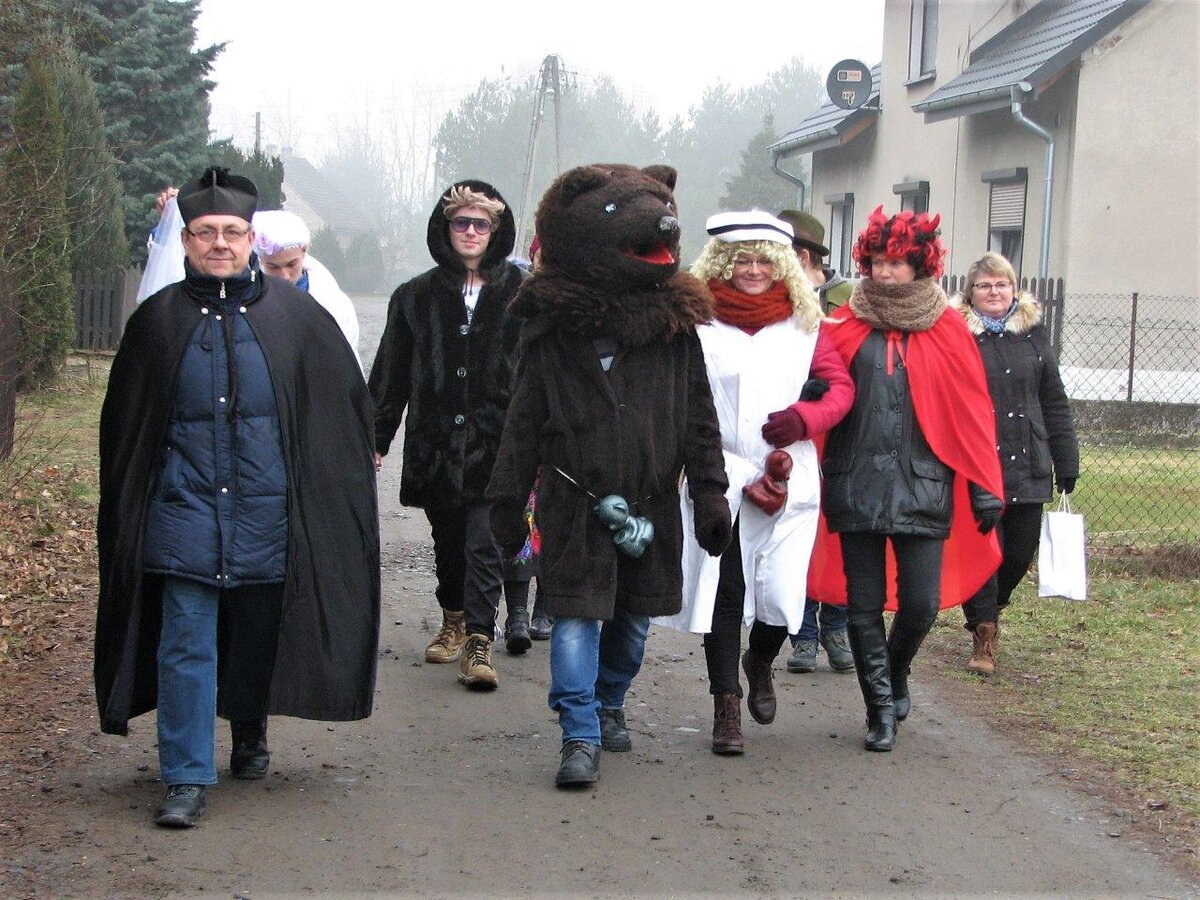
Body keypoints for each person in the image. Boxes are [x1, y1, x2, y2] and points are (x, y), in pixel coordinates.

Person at [95, 166, 380, 828]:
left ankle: (248, 728)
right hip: (182, 508)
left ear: (251, 239)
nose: (219, 242)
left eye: (231, 231)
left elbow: (337, 417)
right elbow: (127, 429)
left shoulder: (298, 320)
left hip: (268, 509)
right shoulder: (157, 323)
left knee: (255, 631)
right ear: (187, 240)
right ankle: (185, 775)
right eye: (205, 232)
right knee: (185, 640)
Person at [485, 163, 731, 788]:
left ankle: (610, 698)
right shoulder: (551, 331)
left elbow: (700, 417)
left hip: (651, 504)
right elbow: (522, 423)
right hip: (574, 503)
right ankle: (579, 732)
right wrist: (507, 499)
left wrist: (710, 493)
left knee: (632, 623)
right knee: (574, 617)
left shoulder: (674, 331)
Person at [809, 205, 1004, 752]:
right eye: (877, 262)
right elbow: (821, 393)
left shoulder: (948, 329)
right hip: (855, 480)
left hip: (925, 483)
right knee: (862, 605)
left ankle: (894, 673)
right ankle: (879, 710)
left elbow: (971, 411)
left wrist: (984, 486)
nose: (885, 272)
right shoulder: (845, 325)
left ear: (920, 264)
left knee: (921, 604)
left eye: (896, 262)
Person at [658, 211, 853, 755]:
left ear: (782, 265)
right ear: (721, 262)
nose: (752, 270)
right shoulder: (696, 322)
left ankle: (761, 658)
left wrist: (805, 419)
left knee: (783, 595)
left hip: (787, 474)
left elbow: (840, 389)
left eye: (764, 261)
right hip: (718, 472)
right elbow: (675, 392)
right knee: (724, 591)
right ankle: (726, 706)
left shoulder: (805, 324)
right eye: (741, 259)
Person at [369, 181, 524, 690]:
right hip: (435, 444)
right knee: (449, 541)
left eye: (482, 224)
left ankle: (479, 638)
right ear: (446, 228)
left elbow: (542, 374)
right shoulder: (414, 296)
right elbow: (390, 373)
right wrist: (376, 437)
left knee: (485, 541)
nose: (472, 232)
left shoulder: (523, 295)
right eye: (462, 222)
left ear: (496, 231)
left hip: (497, 444)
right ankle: (453, 616)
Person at [954, 251, 1079, 674]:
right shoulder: (958, 336)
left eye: (1001, 284)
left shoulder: (1034, 336)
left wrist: (1066, 459)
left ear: (1013, 289)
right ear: (971, 293)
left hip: (1029, 459)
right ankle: (984, 631)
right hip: (977, 464)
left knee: (1018, 552)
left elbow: (1054, 400)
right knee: (983, 551)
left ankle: (991, 609)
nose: (994, 292)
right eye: (984, 285)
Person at [776, 208, 858, 674]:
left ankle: (836, 627)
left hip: (843, 433)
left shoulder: (851, 302)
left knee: (840, 533)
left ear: (802, 255)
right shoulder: (775, 297)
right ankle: (803, 634)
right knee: (799, 533)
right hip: (794, 433)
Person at [251, 209, 362, 370]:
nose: (284, 276)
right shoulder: (247, 301)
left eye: (291, 264)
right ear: (260, 260)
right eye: (273, 267)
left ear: (304, 251)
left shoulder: (334, 304)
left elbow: (347, 367)